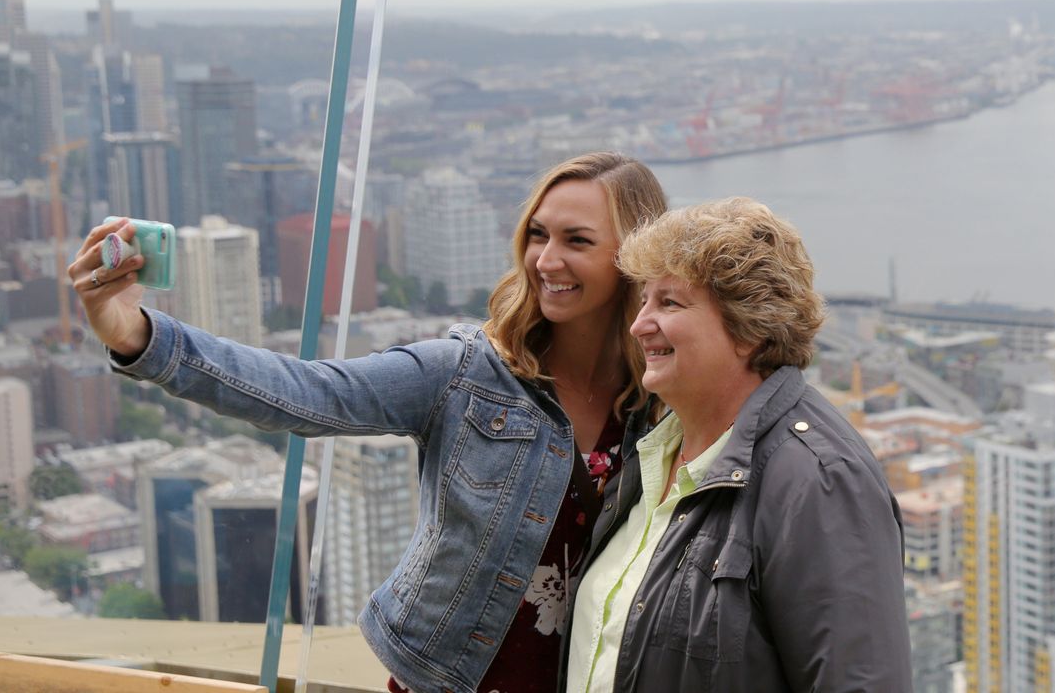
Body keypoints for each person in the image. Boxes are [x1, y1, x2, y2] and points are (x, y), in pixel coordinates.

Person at [68, 152, 668, 693]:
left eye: (577, 240)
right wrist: (139, 336)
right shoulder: (463, 374)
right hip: (446, 682)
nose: (546, 259)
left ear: (634, 257)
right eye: (538, 234)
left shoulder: (658, 403)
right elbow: (308, 393)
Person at [564, 197, 911, 693]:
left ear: (747, 328)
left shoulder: (819, 480)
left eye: (669, 302)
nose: (640, 324)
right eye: (644, 300)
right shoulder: (649, 455)